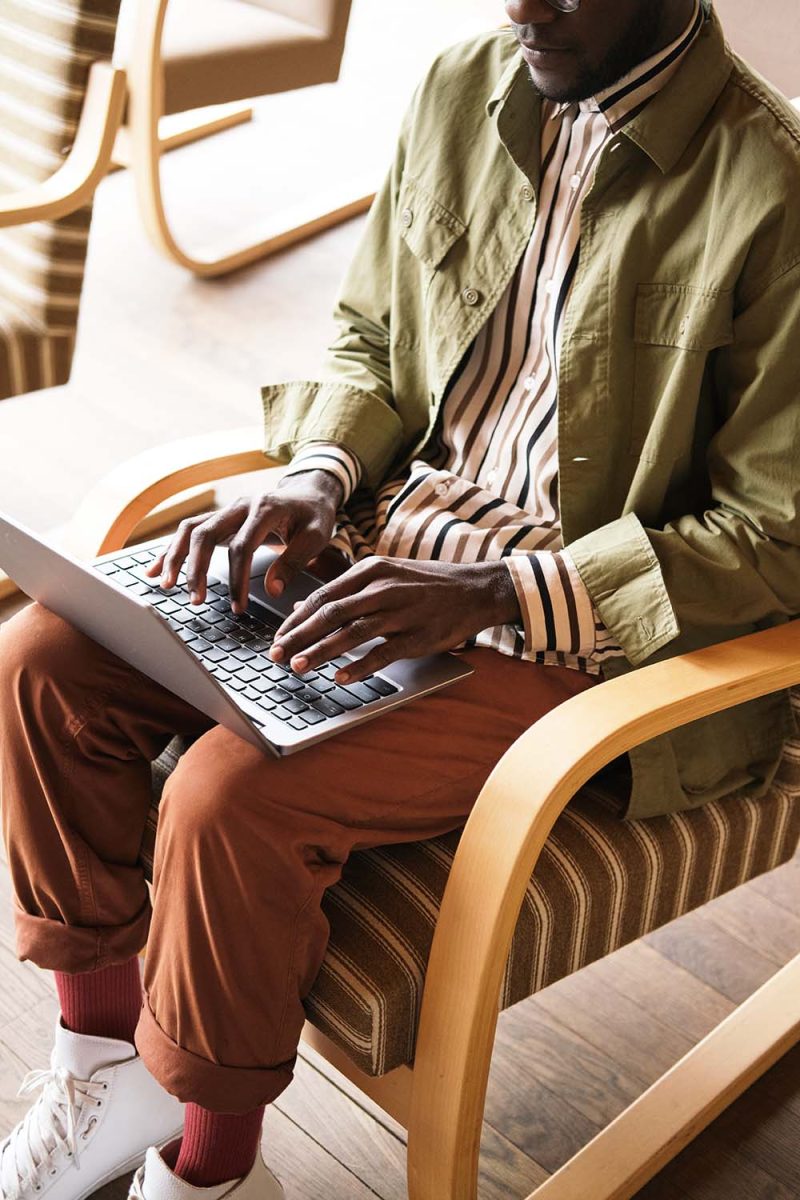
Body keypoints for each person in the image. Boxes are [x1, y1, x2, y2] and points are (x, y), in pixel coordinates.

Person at [2, 1, 799, 1198]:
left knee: (226, 802)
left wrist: (492, 587)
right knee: (41, 663)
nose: (525, 6)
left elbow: (774, 540)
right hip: (373, 542)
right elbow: (370, 332)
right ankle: (102, 1061)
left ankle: (212, 1170)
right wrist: (317, 475)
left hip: (579, 637)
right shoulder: (464, 82)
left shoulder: (773, 191)